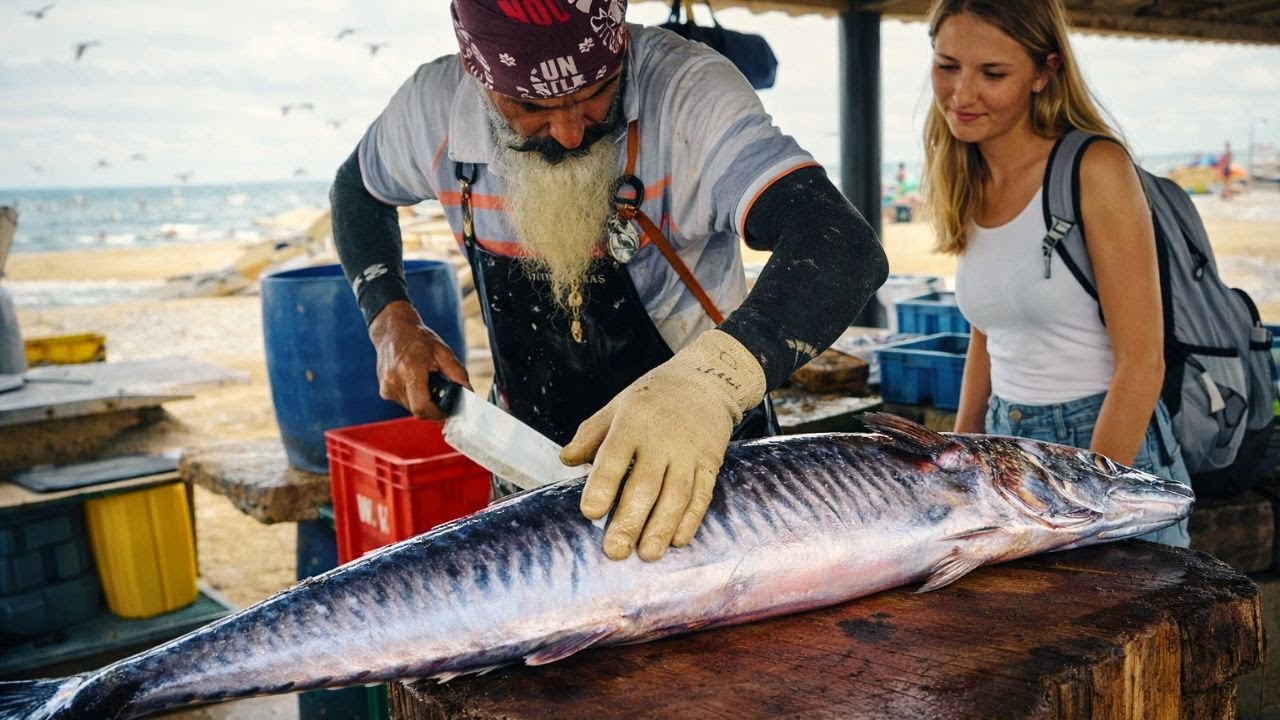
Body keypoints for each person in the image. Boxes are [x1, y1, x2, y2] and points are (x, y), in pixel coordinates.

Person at [331, 0, 888, 562]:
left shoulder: (686, 90)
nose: (571, 133)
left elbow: (840, 242)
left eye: (597, 92)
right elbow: (356, 189)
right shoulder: (431, 109)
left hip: (705, 471)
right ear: (478, 77)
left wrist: (711, 384)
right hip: (528, 472)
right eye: (531, 107)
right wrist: (391, 322)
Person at [921, 0, 1190, 546]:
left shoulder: (1095, 168)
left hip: (1101, 443)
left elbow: (1143, 363)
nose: (962, 94)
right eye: (948, 66)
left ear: (1044, 73)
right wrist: (958, 458)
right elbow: (989, 334)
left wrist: (1087, 500)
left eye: (992, 73)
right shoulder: (966, 174)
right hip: (1004, 448)